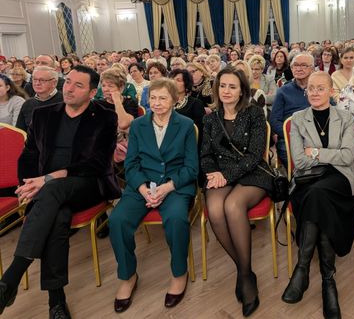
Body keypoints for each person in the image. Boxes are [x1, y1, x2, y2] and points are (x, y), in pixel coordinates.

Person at [0, 65, 120, 318]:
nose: (69, 89)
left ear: (92, 92)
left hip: (88, 184)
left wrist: (48, 178)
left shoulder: (105, 116)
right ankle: (56, 301)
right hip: (48, 192)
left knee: (53, 190)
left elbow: (98, 163)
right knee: (58, 216)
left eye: (79, 85)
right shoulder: (43, 114)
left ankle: (10, 279)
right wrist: (29, 183)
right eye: (68, 82)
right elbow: (29, 155)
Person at [109, 78, 198, 313]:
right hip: (142, 186)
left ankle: (179, 273)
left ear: (174, 100)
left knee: (176, 219)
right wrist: (142, 189)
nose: (156, 103)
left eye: (163, 98)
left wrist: (167, 187)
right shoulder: (138, 125)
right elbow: (131, 164)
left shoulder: (186, 125)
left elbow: (191, 167)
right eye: (153, 98)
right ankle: (128, 276)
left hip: (174, 185)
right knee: (117, 220)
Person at [282, 72, 354, 319]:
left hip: (339, 178)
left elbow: (347, 157)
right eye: (311, 88)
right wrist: (328, 154)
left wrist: (315, 151)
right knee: (319, 197)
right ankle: (328, 279)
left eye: (320, 88)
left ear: (331, 91)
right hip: (308, 179)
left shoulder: (345, 118)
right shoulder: (298, 119)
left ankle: (302, 269)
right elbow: (300, 161)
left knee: (318, 196)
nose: (314, 93)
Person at [200, 67, 272, 317]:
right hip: (220, 174)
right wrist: (213, 173)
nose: (226, 91)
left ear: (242, 90)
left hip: (252, 173)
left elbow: (255, 154)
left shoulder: (254, 113)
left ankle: (245, 278)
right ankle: (245, 271)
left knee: (232, 206)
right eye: (222, 86)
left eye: (232, 86)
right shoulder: (210, 119)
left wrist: (227, 176)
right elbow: (205, 155)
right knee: (215, 210)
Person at [270, 53, 313, 164]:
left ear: (312, 69)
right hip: (290, 137)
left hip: (315, 136)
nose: (299, 68)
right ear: (291, 68)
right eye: (295, 65)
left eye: (303, 65)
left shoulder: (319, 89)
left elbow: (332, 111)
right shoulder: (283, 91)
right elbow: (274, 120)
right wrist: (291, 134)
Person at [16, 66, 63, 132]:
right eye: (34, 79)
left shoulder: (65, 101)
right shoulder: (28, 104)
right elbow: (20, 132)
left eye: (42, 80)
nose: (37, 83)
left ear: (54, 83)